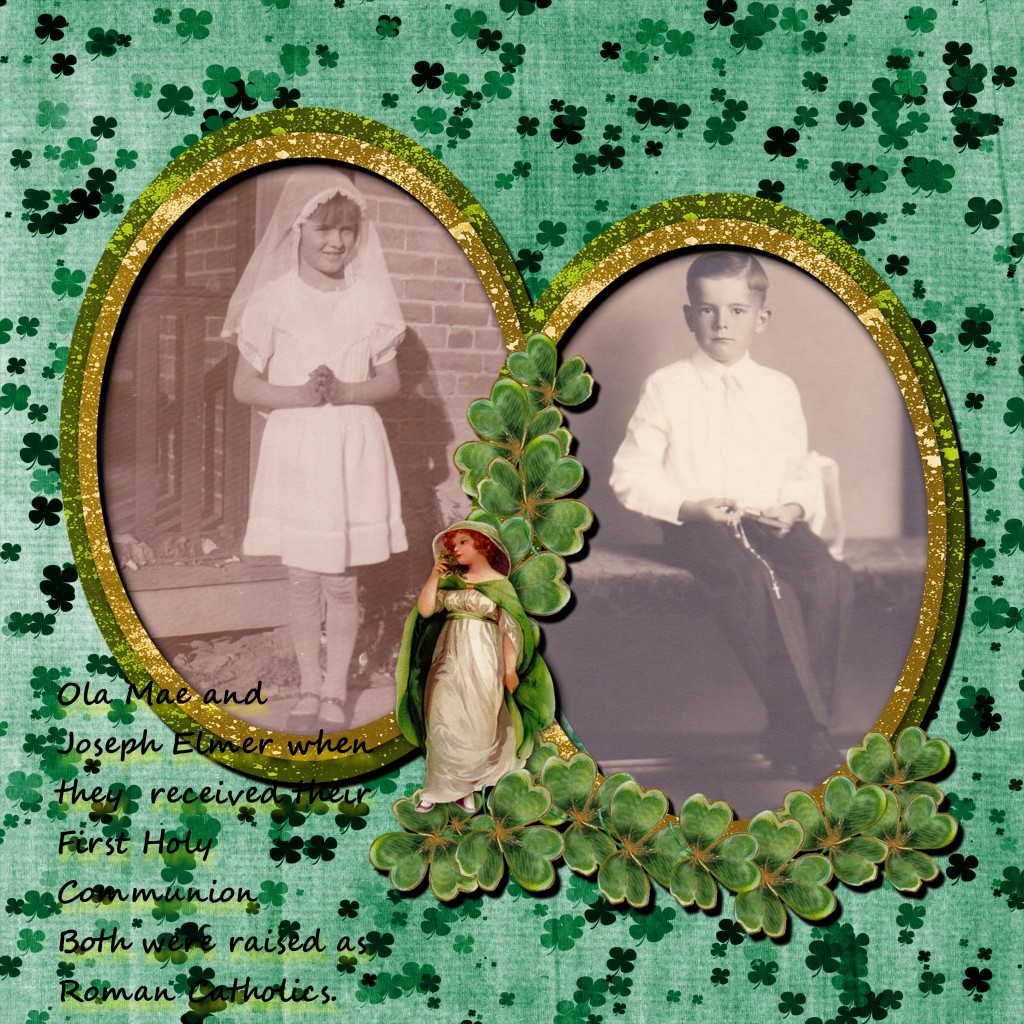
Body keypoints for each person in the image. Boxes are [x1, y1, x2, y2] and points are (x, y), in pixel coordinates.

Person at [609, 250, 853, 778]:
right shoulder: (667, 386)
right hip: (699, 525)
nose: (722, 323)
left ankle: (794, 729)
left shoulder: (778, 388)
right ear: (689, 315)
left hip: (768, 519)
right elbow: (631, 474)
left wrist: (793, 506)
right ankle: (809, 735)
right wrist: (688, 506)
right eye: (708, 310)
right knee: (753, 580)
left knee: (827, 577)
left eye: (737, 311)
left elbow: (799, 465)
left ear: (761, 319)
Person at [223, 166, 408, 733]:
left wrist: (345, 390)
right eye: (324, 229)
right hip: (298, 448)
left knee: (342, 579)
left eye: (347, 230)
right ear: (299, 230)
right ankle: (307, 686)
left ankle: (334, 691)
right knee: (303, 577)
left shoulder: (370, 299)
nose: (336, 241)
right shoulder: (272, 300)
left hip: (351, 446)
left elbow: (391, 381)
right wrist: (302, 395)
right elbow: (245, 386)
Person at [395, 522, 556, 812]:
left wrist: (509, 669)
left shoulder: (500, 586)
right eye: (453, 544)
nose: (456, 549)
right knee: (441, 718)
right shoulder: (451, 581)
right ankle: (435, 790)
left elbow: (511, 630)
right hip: (447, 658)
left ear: (482, 545)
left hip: (484, 660)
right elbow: (426, 610)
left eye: (464, 542)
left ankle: (466, 788)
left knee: (479, 725)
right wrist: (434, 576)